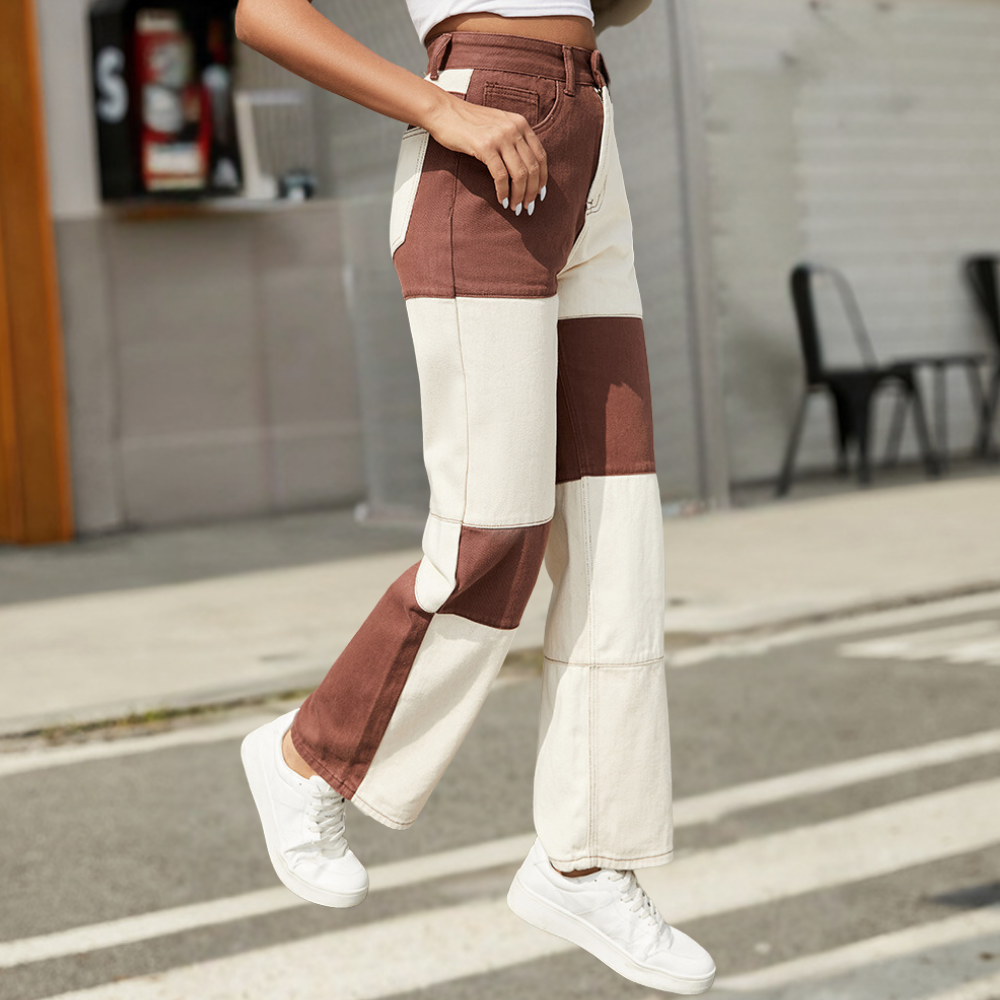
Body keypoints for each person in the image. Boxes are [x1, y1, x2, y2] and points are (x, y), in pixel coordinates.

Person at [235, 0, 715, 993]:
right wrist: (438, 110)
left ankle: (583, 857)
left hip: (590, 147)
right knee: (495, 529)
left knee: (614, 524)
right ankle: (305, 760)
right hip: (478, 145)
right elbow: (261, 12)